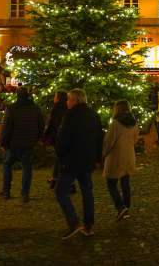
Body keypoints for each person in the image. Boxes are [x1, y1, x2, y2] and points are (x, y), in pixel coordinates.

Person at [55, 89, 103, 238]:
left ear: (75, 101)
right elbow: (99, 139)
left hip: (71, 161)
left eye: (69, 100)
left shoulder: (70, 116)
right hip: (87, 160)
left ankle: (74, 222)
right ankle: (88, 225)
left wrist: (62, 159)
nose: (67, 103)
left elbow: (62, 140)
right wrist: (97, 159)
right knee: (87, 192)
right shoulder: (94, 115)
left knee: (60, 191)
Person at [0, 87, 44, 201]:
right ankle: (25, 193)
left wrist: (3, 142)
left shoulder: (12, 108)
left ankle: (6, 191)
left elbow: (7, 127)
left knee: (7, 165)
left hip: (14, 143)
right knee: (27, 168)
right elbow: (41, 125)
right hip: (29, 143)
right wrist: (37, 138)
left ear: (17, 95)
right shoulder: (35, 108)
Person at [103, 100, 137, 221]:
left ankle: (120, 206)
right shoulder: (133, 123)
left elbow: (108, 142)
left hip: (116, 157)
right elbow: (135, 140)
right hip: (129, 156)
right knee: (125, 182)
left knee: (111, 183)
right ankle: (126, 206)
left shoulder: (116, 124)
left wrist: (103, 154)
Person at [45, 91, 68, 189]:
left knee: (59, 158)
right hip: (63, 137)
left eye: (55, 96)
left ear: (58, 98)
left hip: (58, 137)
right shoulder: (67, 108)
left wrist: (47, 134)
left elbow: (53, 124)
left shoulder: (57, 109)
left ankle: (57, 180)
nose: (54, 98)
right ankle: (56, 179)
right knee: (60, 158)